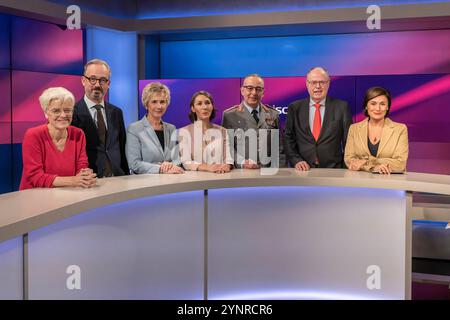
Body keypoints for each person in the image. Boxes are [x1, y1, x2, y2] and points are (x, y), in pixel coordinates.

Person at [19, 87, 97, 190]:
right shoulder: (33, 135)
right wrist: (74, 180)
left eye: (67, 110)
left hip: (67, 193)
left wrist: (85, 175)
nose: (63, 115)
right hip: (34, 195)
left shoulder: (78, 134)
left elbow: (81, 166)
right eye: (56, 111)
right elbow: (35, 176)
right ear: (46, 113)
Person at [285, 66, 352, 170]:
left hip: (334, 170)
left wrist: (344, 166)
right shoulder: (295, 108)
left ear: (328, 84)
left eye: (322, 82)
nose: (318, 86)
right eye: (313, 82)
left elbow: (349, 141)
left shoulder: (342, 107)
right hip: (302, 170)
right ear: (307, 84)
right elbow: (288, 138)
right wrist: (296, 160)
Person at [72, 58, 129, 177]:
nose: (97, 84)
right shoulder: (72, 113)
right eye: (92, 79)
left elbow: (122, 149)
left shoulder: (117, 112)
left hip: (118, 179)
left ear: (108, 84)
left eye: (103, 80)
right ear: (83, 80)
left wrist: (126, 176)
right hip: (89, 181)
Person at [222, 74, 284, 169]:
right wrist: (242, 162)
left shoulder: (273, 114)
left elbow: (279, 147)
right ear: (242, 90)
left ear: (263, 92)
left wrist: (280, 170)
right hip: (242, 172)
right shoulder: (229, 115)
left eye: (258, 89)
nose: (254, 93)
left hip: (268, 172)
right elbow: (227, 147)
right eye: (249, 88)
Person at [344, 87, 408, 174]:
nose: (378, 108)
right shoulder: (354, 129)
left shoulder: (400, 129)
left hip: (390, 182)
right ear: (366, 106)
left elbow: (400, 164)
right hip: (360, 182)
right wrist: (373, 167)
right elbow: (349, 160)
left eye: (382, 104)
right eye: (373, 104)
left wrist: (364, 161)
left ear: (387, 107)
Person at [126, 82, 183, 174]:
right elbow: (134, 163)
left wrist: (171, 165)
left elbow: (177, 160)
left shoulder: (171, 128)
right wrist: (160, 168)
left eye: (162, 102)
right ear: (146, 104)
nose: (159, 106)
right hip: (145, 184)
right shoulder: (134, 129)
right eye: (154, 102)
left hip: (170, 182)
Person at [179, 91, 233, 173]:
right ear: (193, 108)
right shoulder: (184, 132)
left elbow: (228, 159)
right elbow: (186, 162)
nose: (204, 107)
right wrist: (209, 168)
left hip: (220, 177)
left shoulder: (223, 131)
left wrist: (227, 166)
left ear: (212, 106)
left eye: (207, 103)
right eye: (199, 104)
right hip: (196, 180)